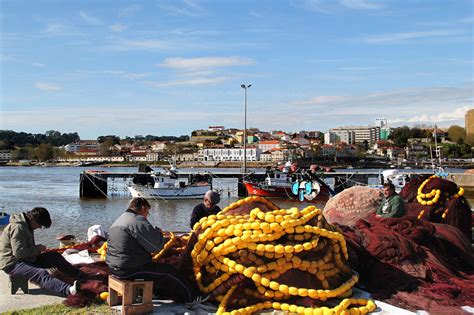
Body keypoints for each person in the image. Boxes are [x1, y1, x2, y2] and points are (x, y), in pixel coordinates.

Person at [106, 197, 201, 303]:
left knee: (156, 269)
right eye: (147, 212)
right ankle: (192, 297)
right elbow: (156, 247)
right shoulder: (137, 220)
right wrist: (158, 234)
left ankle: (157, 292)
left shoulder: (120, 219)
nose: (147, 216)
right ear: (143, 208)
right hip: (129, 270)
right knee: (170, 272)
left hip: (113, 268)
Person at [0, 207, 82, 296]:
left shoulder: (26, 225)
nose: (39, 227)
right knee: (41, 273)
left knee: (53, 256)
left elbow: (23, 249)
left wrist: (36, 249)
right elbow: (19, 253)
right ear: (34, 220)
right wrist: (37, 249)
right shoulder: (18, 227)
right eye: (40, 225)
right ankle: (69, 290)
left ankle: (79, 276)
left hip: (26, 259)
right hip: (12, 264)